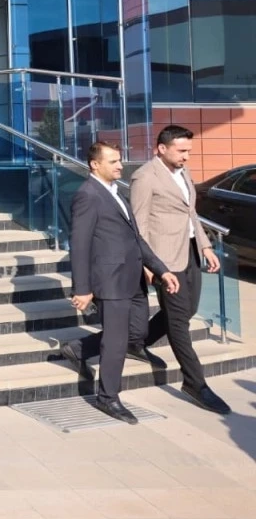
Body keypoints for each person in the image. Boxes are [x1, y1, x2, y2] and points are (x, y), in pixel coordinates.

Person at [60, 142, 180, 424]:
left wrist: (161, 270)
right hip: (110, 280)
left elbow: (136, 239)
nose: (120, 165)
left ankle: (79, 348)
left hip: (133, 277)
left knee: (137, 332)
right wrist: (82, 289)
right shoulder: (87, 195)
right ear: (95, 164)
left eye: (119, 160)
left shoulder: (116, 193)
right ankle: (108, 397)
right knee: (116, 341)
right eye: (113, 161)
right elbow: (80, 245)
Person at [129, 126, 231, 414]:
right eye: (181, 150)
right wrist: (148, 263)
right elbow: (139, 225)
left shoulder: (183, 172)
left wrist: (206, 246)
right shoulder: (145, 177)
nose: (186, 156)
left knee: (188, 309)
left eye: (189, 151)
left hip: (189, 252)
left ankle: (135, 342)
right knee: (178, 321)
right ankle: (195, 383)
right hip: (164, 260)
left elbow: (190, 213)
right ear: (161, 148)